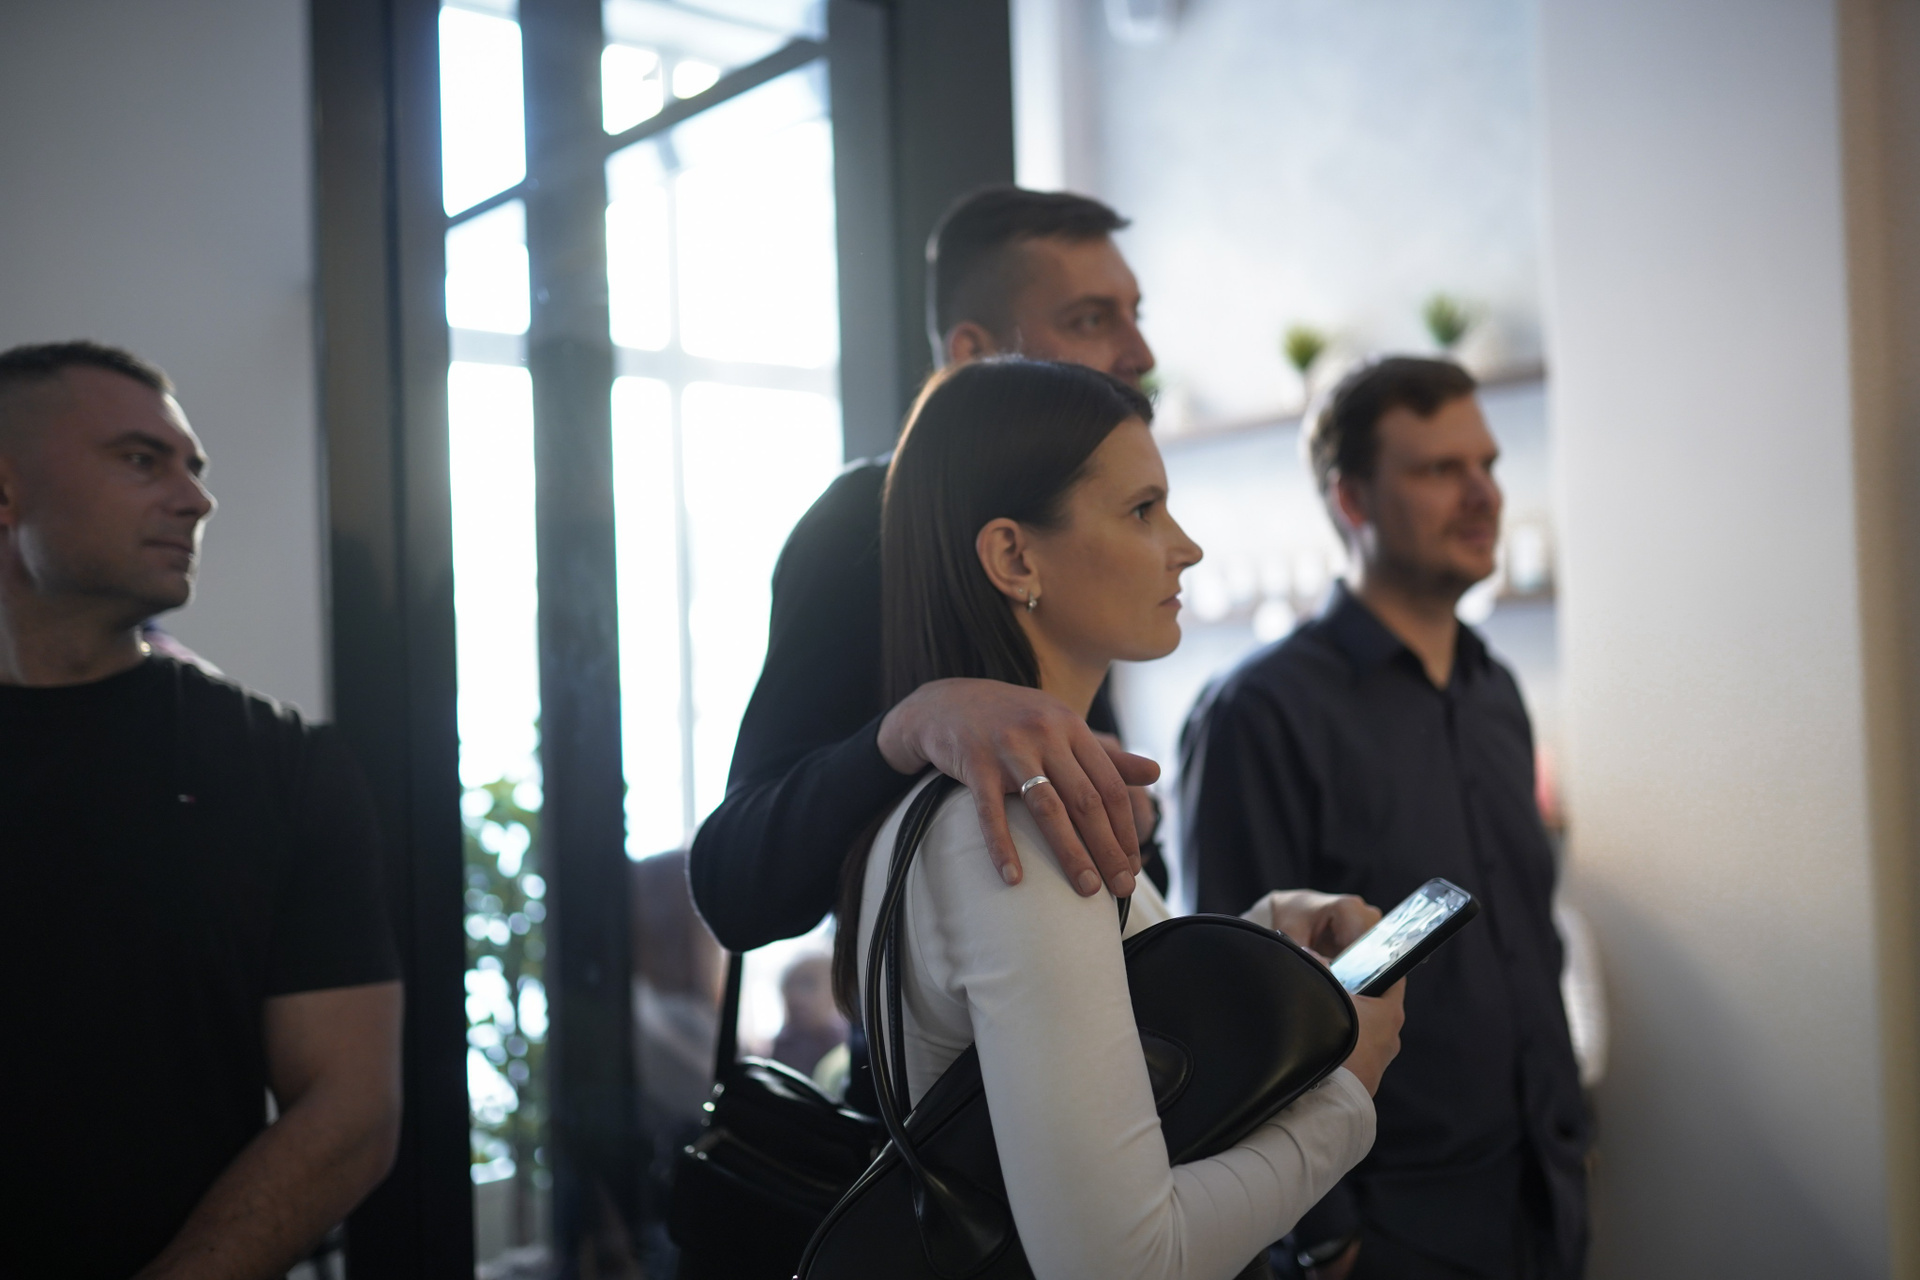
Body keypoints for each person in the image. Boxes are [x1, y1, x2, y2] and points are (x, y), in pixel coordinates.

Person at [833, 357, 1406, 1280]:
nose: (1186, 547)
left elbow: (1093, 1024)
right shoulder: (1015, 832)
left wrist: (1260, 938)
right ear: (1015, 558)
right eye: (1143, 510)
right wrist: (1344, 1094)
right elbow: (1123, 1265)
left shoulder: (983, 811)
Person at [0, 341, 403, 1279]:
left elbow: (350, 1109)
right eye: (143, 460)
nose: (197, 499)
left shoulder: (282, 765)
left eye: (195, 467)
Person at [1179, 358, 1589, 1280]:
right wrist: (1326, 1237)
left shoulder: (1494, 691)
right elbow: (1238, 1006)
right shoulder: (1259, 714)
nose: (1483, 494)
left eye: (1487, 464)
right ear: (1352, 499)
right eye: (1441, 469)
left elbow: (1530, 937)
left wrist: (1566, 1138)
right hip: (1390, 1228)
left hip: (1539, 1193)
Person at [689, 187, 1167, 954]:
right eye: (1090, 320)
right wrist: (909, 727)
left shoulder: (1072, 549)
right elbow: (734, 886)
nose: (1139, 353)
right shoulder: (862, 525)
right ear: (973, 356)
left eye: (1135, 314)